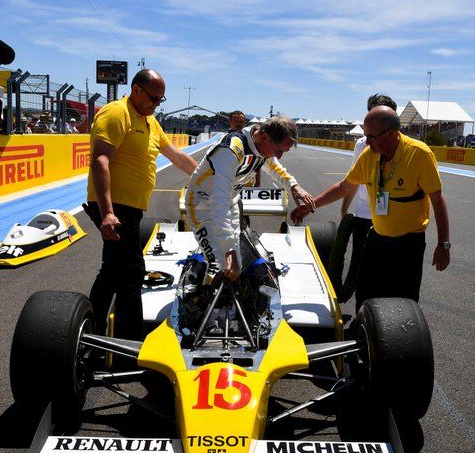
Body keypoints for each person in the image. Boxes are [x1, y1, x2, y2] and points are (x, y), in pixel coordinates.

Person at [291, 106, 450, 311]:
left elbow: (438, 200)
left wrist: (443, 244)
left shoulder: (419, 154)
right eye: (365, 136)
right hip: (377, 237)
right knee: (365, 294)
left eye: (371, 137)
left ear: (392, 134)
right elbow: (344, 186)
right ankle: (364, 334)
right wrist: (311, 205)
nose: (367, 142)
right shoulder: (370, 154)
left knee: (404, 302)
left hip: (408, 243)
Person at [86, 68, 198, 341]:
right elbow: (100, 160)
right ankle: (132, 340)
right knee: (132, 274)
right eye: (153, 98)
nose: (157, 104)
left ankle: (91, 329)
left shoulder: (149, 120)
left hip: (131, 208)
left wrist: (208, 180)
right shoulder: (116, 113)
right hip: (116, 207)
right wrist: (108, 212)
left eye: (161, 100)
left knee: (112, 272)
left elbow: (177, 156)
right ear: (136, 89)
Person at [186, 116, 315, 282]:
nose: (279, 156)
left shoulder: (263, 146)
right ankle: (200, 303)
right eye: (278, 151)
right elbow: (219, 201)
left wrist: (294, 186)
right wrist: (229, 250)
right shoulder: (232, 149)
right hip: (202, 205)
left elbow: (276, 168)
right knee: (218, 263)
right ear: (264, 137)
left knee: (235, 267)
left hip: (229, 204)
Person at [329, 94, 397, 301]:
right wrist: (344, 209)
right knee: (360, 265)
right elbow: (352, 180)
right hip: (365, 214)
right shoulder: (362, 145)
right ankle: (359, 305)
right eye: (373, 111)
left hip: (392, 219)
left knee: (386, 269)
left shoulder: (405, 145)